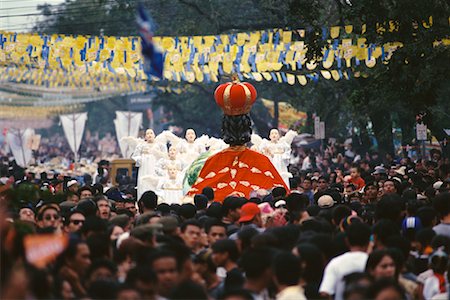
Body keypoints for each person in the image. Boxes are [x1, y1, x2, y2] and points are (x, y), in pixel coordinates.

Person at [319, 222, 371, 300]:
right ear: (369, 241)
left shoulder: (335, 263)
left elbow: (324, 293)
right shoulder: (374, 262)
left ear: (347, 241)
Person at [132, 129, 167, 200]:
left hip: (155, 165)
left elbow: (164, 155)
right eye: (147, 133)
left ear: (154, 135)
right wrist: (139, 159)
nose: (149, 135)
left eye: (151, 133)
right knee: (144, 182)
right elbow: (135, 155)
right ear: (145, 136)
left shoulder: (159, 145)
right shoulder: (141, 145)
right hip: (144, 166)